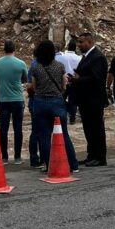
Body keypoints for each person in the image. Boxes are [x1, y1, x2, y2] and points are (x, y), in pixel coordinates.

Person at [29, 40, 79, 173]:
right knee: (63, 134)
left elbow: (33, 87)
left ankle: (48, 164)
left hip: (40, 102)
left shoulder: (36, 67)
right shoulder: (60, 66)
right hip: (57, 101)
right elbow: (63, 85)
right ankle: (73, 164)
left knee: (44, 135)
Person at [69, 32, 109, 167]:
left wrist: (79, 79)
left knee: (96, 128)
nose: (78, 45)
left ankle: (100, 157)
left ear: (89, 42)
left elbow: (97, 78)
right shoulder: (87, 57)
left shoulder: (97, 57)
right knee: (89, 128)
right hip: (86, 99)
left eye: (81, 42)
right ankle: (92, 154)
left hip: (94, 99)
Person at [0, 40, 28, 163]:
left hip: (3, 100)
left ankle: (4, 157)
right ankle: (18, 157)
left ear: (4, 49)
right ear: (14, 49)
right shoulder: (21, 63)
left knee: (4, 128)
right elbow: (25, 79)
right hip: (18, 99)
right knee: (18, 128)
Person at [62, 40, 82, 124]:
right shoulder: (79, 58)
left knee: (61, 99)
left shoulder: (63, 56)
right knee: (73, 101)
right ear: (75, 48)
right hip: (74, 81)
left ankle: (63, 115)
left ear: (68, 46)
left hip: (64, 80)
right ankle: (72, 119)